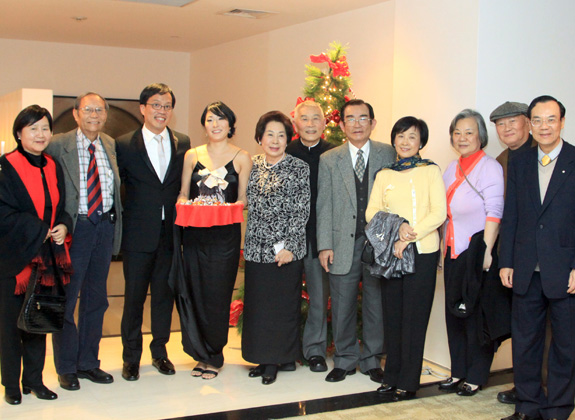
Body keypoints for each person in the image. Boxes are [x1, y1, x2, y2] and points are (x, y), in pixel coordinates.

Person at [499, 96, 575, 420]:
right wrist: (506, 260)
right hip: (526, 267)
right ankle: (528, 407)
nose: (545, 127)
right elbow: (511, 214)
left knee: (565, 346)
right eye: (538, 120)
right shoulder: (520, 162)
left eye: (551, 119)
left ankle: (558, 409)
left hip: (564, 269)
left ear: (562, 122)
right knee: (525, 343)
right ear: (530, 124)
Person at [366, 117, 446, 401]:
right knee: (394, 316)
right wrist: (397, 226)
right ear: (393, 140)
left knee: (415, 318)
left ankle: (409, 381)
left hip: (421, 251)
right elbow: (371, 212)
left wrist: (408, 235)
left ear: (421, 142)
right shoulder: (385, 174)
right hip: (391, 253)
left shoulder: (430, 170)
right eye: (400, 136)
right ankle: (391, 376)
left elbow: (439, 212)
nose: (405, 142)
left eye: (412, 136)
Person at [317, 99, 396, 383]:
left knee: (376, 303)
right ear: (341, 125)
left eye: (363, 118)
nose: (357, 124)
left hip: (378, 242)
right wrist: (325, 244)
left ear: (373, 123)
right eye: (350, 118)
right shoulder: (330, 159)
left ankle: (372, 359)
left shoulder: (389, 153)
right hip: (341, 243)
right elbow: (324, 204)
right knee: (342, 304)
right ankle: (345, 360)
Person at [47, 92, 122, 391]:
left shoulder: (110, 144)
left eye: (99, 110)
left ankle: (88, 362)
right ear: (76, 114)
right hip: (74, 230)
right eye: (88, 110)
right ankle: (66, 367)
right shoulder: (57, 144)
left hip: (103, 227)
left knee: (96, 300)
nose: (94, 115)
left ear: (106, 115)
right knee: (66, 300)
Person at [116, 83, 190, 381]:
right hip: (137, 234)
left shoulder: (183, 143)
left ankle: (159, 352)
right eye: (156, 105)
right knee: (134, 299)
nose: (162, 111)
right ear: (142, 108)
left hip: (170, 234)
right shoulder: (123, 144)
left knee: (163, 297)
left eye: (167, 106)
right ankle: (130, 358)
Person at [0, 105, 73, 405]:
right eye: (33, 129)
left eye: (45, 128)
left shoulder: (53, 165)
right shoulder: (5, 166)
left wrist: (63, 225)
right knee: (10, 324)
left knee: (39, 320)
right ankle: (11, 385)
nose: (41, 134)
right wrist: (39, 229)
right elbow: (3, 212)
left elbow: (62, 205)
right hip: (15, 259)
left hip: (47, 258)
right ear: (19, 133)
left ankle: (34, 380)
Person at [176, 101, 252, 379]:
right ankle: (200, 354)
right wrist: (185, 204)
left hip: (225, 237)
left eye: (221, 119)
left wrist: (231, 206)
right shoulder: (191, 155)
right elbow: (183, 194)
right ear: (204, 125)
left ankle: (215, 355)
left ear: (230, 125)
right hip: (194, 235)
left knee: (218, 295)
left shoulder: (242, 157)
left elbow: (243, 198)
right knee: (195, 292)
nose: (215, 124)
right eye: (210, 119)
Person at [242, 111, 310, 385]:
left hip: (285, 251)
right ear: (260, 138)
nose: (275, 140)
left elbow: (301, 211)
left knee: (281, 307)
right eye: (269, 134)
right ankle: (262, 357)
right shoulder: (251, 164)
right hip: (256, 249)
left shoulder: (298, 167)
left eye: (281, 135)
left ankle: (276, 360)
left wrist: (290, 246)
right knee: (258, 307)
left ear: (288, 139)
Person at [439, 109, 504, 397]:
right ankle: (458, 371)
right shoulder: (451, 168)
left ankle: (476, 376)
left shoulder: (489, 167)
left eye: (469, 132)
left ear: (481, 136)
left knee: (477, 317)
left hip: (477, 253)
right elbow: (443, 212)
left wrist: (487, 251)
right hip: (452, 251)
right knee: (454, 314)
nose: (462, 138)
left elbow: (495, 210)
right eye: (457, 132)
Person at [489, 101, 534, 405]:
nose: (506, 129)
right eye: (500, 124)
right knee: (520, 326)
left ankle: (544, 387)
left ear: (527, 123)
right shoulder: (501, 160)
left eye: (512, 122)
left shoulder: (543, 154)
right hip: (510, 255)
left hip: (539, 256)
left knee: (542, 328)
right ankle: (524, 385)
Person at [286, 99, 334, 373]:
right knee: (285, 296)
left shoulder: (334, 153)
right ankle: (285, 350)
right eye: (304, 118)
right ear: (295, 124)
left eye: (316, 118)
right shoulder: (285, 151)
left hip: (319, 240)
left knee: (318, 298)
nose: (311, 124)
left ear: (324, 123)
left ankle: (315, 351)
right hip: (288, 241)